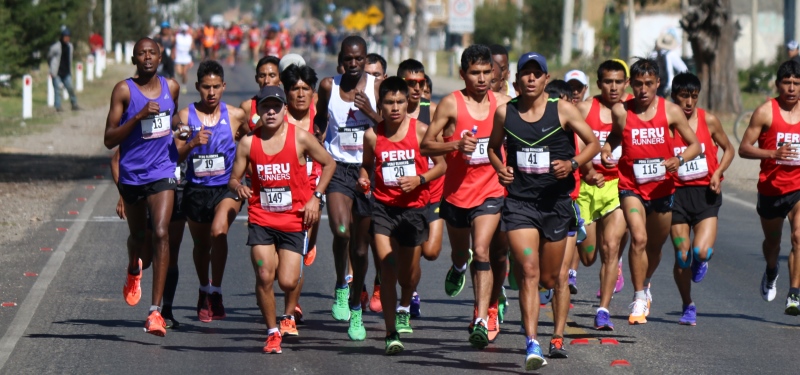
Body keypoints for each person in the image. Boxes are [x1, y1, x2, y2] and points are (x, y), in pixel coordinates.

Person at [489, 52, 600, 370]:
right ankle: (532, 343)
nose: (532, 78)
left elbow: (593, 143)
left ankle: (554, 332)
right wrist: (500, 168)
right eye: (526, 73)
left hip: (556, 204)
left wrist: (573, 164)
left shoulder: (563, 110)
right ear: (517, 80)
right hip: (520, 204)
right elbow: (493, 148)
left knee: (551, 278)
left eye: (538, 73)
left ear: (546, 79)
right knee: (529, 272)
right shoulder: (504, 113)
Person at [229, 85, 335, 354]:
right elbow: (234, 178)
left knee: (287, 281)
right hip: (261, 218)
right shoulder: (248, 143)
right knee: (265, 273)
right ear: (259, 111)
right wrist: (238, 187)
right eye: (266, 107)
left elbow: (329, 163)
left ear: (285, 110)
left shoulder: (300, 138)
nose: (271, 111)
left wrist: (316, 197)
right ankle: (272, 331)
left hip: (293, 220)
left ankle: (282, 305)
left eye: (276, 106)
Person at [421, 44, 511, 348]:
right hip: (457, 194)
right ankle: (459, 265)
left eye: (487, 72)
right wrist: (455, 146)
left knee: (483, 250)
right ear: (463, 74)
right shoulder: (450, 104)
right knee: (463, 253)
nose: (482, 78)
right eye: (475, 73)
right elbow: (426, 145)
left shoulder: (504, 104)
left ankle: (481, 318)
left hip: (491, 191)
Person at [601, 58, 700, 325]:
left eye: (648, 84)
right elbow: (614, 137)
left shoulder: (671, 111)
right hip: (631, 187)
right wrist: (608, 151)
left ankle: (645, 283)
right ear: (631, 85)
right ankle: (638, 296)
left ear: (658, 83)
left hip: (663, 190)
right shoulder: (622, 111)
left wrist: (678, 161)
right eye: (638, 84)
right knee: (639, 239)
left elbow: (695, 145)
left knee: (655, 248)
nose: (643, 89)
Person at [359, 76, 446, 355]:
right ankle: (390, 333)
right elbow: (366, 166)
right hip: (384, 209)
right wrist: (363, 178)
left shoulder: (421, 131)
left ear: (408, 102)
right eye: (389, 102)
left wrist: (419, 179)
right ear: (380, 106)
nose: (395, 107)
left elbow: (442, 166)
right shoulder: (372, 135)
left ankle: (405, 305)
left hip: (414, 210)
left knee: (407, 276)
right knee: (387, 268)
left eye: (400, 101)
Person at [103, 37, 181, 336]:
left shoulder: (171, 87)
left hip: (162, 171)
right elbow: (109, 139)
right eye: (141, 54)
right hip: (132, 175)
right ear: (134, 59)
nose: (147, 57)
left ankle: (155, 312)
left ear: (160, 57)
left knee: (161, 232)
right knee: (138, 238)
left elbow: (170, 121)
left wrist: (180, 129)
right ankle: (133, 269)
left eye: (152, 53)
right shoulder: (124, 90)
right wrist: (137, 116)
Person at [315, 36, 382, 340]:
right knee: (341, 231)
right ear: (340, 59)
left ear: (365, 59)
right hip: (338, 168)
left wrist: (370, 111)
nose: (354, 64)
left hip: (366, 169)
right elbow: (319, 120)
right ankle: (341, 285)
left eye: (359, 59)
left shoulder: (376, 87)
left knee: (361, 245)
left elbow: (389, 127)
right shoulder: (329, 86)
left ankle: (357, 307)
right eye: (348, 59)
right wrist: (317, 146)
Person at [172, 60, 249, 323]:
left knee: (219, 231)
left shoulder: (236, 115)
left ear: (224, 86)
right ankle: (204, 288)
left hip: (227, 188)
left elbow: (254, 144)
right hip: (196, 189)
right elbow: (174, 154)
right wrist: (192, 142)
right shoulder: (185, 116)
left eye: (216, 86)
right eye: (206, 87)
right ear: (198, 87)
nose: (212, 92)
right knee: (201, 245)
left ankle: (216, 290)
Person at [667, 72, 734, 325]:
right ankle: (688, 304)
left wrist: (718, 172)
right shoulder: (665, 123)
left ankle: (702, 260)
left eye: (693, 97)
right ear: (674, 95)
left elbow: (729, 149)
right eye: (684, 96)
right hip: (676, 195)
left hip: (706, 193)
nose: (689, 102)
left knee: (701, 251)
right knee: (683, 255)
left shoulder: (709, 120)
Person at [739, 60, 800, 316]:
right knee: (772, 243)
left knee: (798, 237)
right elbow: (744, 148)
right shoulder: (765, 111)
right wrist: (773, 153)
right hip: (771, 189)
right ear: (777, 84)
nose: (792, 88)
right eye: (787, 82)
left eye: (797, 83)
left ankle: (794, 294)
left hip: (798, 186)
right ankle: (772, 270)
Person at [575, 60, 631, 330]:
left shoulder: (635, 110)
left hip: (619, 186)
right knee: (588, 257)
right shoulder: (585, 109)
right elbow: (572, 145)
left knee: (610, 248)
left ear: (626, 83)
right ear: (599, 84)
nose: (613, 87)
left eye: (619, 81)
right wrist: (586, 171)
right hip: (587, 187)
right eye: (608, 81)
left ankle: (603, 310)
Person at [386, 59, 441, 318]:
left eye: (421, 83)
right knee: (405, 258)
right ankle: (409, 297)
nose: (417, 88)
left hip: (434, 192)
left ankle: (409, 291)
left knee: (430, 252)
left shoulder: (435, 113)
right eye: (411, 83)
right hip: (401, 198)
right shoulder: (391, 114)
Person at [110, 150, 187, 329]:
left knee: (170, 248)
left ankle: (163, 311)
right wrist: (122, 194)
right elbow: (116, 159)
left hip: (178, 187)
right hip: (148, 189)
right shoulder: (149, 126)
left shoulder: (186, 122)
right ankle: (134, 268)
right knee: (144, 255)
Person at [279, 61, 321, 333]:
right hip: (278, 194)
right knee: (273, 268)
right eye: (295, 89)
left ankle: (289, 313)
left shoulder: (322, 117)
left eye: (306, 88)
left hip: (310, 195)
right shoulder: (276, 116)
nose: (301, 94)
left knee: (296, 260)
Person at [240, 56, 282, 130]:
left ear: (281, 78)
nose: (266, 81)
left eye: (272, 75)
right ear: (256, 79)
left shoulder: (290, 106)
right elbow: (244, 138)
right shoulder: (247, 107)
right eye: (262, 76)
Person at [48, 28, 80, 112]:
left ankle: (74, 104)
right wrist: (51, 68)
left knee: (71, 88)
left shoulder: (70, 46)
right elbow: (49, 56)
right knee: (57, 90)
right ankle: (58, 107)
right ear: (62, 37)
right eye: (65, 36)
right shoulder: (56, 47)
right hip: (57, 72)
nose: (67, 38)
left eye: (68, 37)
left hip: (66, 72)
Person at [650, 33, 688, 97]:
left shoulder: (652, 54)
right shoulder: (671, 54)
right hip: (668, 85)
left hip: (654, 85)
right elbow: (684, 70)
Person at [174, 25, 194, 93]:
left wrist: (192, 59)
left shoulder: (189, 37)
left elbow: (192, 47)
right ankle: (182, 81)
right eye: (183, 30)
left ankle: (184, 85)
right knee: (179, 72)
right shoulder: (177, 36)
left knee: (184, 73)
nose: (184, 31)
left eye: (185, 30)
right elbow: (173, 45)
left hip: (186, 58)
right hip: (178, 57)